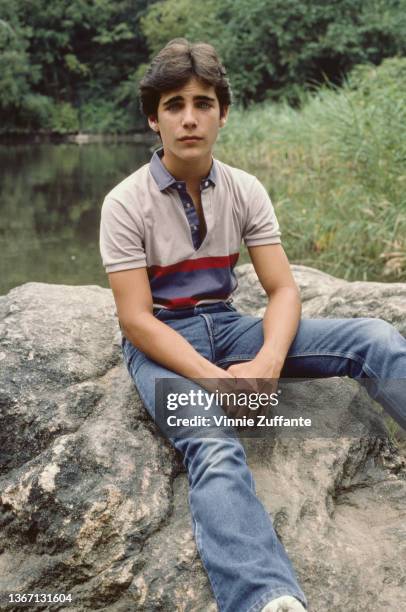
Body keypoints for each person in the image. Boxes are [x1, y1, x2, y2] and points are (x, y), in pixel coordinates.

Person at [99, 38, 406, 612]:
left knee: (374, 337)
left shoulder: (243, 189)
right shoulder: (125, 202)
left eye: (202, 103)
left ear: (222, 113)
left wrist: (266, 360)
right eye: (173, 105)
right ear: (152, 117)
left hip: (230, 325)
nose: (189, 117)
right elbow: (136, 319)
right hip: (165, 344)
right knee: (212, 442)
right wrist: (213, 381)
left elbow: (283, 289)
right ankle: (266, 598)